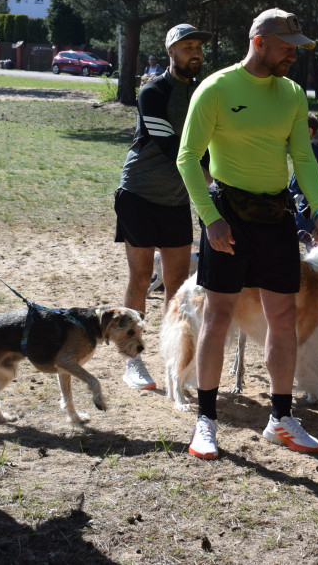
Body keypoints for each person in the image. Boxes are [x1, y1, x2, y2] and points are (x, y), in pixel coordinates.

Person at [176, 7, 318, 460]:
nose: (293, 55)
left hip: (277, 215)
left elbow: (303, 158)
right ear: (260, 41)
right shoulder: (217, 88)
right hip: (227, 213)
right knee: (217, 317)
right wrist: (210, 218)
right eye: (287, 47)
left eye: (297, 48)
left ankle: (281, 419)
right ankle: (205, 422)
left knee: (282, 318)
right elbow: (188, 159)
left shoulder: (292, 94)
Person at [115, 24, 213, 390]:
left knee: (177, 285)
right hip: (139, 194)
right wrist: (212, 182)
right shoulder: (153, 91)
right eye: (187, 46)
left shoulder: (205, 92)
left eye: (198, 47)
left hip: (176, 199)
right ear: (171, 51)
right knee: (141, 279)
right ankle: (133, 361)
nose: (195, 53)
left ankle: (175, 360)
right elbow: (172, 147)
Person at [288, 112, 318, 234]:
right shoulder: (307, 153)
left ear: (308, 132)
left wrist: (314, 207)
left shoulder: (315, 154)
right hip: (304, 207)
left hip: (312, 210)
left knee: (289, 232)